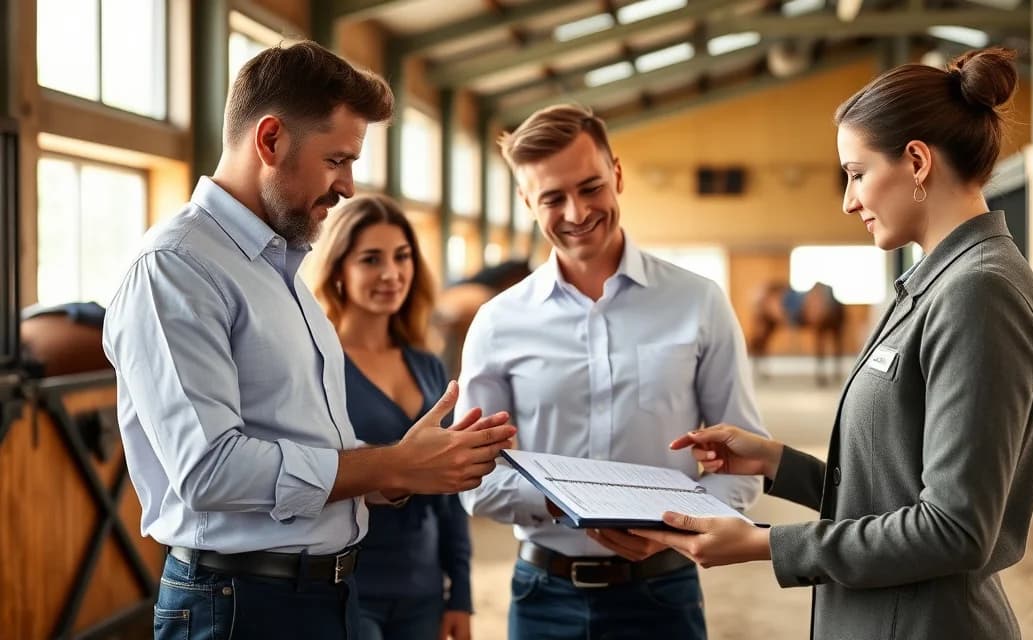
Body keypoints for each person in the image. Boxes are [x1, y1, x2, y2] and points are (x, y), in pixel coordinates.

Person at [633, 47, 1033, 640]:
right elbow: (894, 486)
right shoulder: (930, 282)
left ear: (916, 161)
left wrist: (766, 544)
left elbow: (955, 529)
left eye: (856, 174)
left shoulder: (978, 291)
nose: (848, 200)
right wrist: (779, 464)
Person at [102, 41, 515, 640]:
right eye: (337, 160)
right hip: (242, 603)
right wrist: (391, 463)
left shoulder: (284, 272)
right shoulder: (176, 268)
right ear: (270, 140)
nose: (348, 186)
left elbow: (312, 449)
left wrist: (403, 472)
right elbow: (209, 471)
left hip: (326, 593)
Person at [455, 104, 770, 639]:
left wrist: (675, 528)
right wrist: (564, 504)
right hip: (542, 596)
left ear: (617, 175)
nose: (577, 212)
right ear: (527, 202)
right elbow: (474, 476)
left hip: (662, 591)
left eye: (591, 187)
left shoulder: (698, 303)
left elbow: (746, 459)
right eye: (553, 197)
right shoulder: (497, 322)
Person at [308, 195, 473, 640]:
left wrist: (460, 592)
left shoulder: (428, 365)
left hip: (422, 587)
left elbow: (450, 493)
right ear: (339, 269)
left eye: (402, 257)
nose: (391, 273)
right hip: (349, 583)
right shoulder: (318, 364)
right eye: (370, 259)